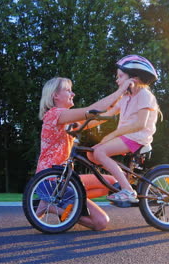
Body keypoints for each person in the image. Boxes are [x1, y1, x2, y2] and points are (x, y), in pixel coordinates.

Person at [35, 76, 133, 231]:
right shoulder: (55, 114)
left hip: (65, 180)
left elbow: (93, 120)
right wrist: (121, 90)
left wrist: (117, 108)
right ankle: (56, 207)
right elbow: (93, 110)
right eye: (68, 90)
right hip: (53, 181)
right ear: (55, 95)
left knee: (109, 182)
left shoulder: (65, 121)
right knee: (101, 223)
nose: (73, 94)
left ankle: (52, 202)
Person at [88, 54, 160, 205]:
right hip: (126, 137)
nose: (117, 80)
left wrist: (113, 134)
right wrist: (83, 123)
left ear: (133, 78)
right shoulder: (126, 98)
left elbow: (140, 124)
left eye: (120, 76)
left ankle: (128, 190)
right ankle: (121, 181)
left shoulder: (144, 95)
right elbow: (107, 113)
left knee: (100, 152)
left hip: (137, 137)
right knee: (92, 154)